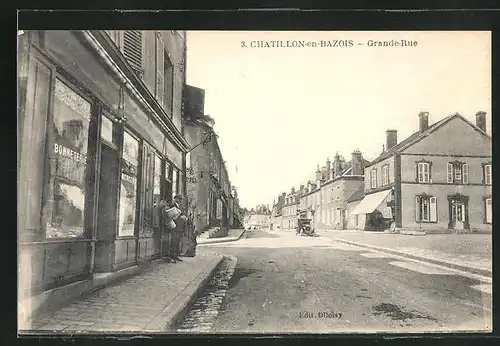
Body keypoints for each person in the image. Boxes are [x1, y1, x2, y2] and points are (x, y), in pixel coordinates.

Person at [168, 195, 186, 263]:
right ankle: (171, 257)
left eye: (180, 199)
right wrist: (181, 218)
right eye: (178, 199)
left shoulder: (180, 207)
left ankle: (176, 256)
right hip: (174, 226)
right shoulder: (172, 206)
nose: (180, 201)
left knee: (177, 242)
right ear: (175, 199)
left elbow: (181, 214)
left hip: (180, 227)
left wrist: (184, 217)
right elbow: (172, 216)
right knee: (173, 242)